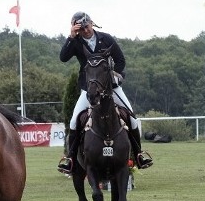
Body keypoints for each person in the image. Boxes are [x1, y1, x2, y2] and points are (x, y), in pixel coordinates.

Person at [57, 11, 153, 175]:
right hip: (89, 90)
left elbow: (121, 60)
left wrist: (118, 75)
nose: (85, 31)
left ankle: (138, 154)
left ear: (91, 23)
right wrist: (71, 37)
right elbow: (63, 58)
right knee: (74, 122)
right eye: (81, 29)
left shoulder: (106, 38)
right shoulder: (76, 42)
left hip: (112, 88)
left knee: (132, 119)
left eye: (86, 27)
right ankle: (70, 159)